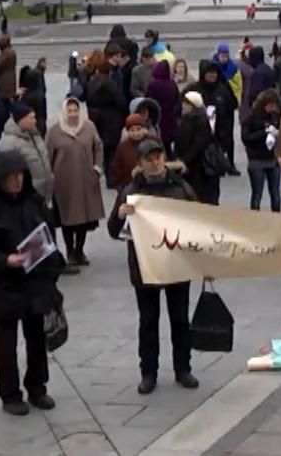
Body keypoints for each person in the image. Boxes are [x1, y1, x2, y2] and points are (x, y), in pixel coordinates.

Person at [0, 150, 62, 416]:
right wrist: (5, 260)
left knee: (37, 340)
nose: (16, 181)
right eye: (11, 177)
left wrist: (52, 265)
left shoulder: (33, 201)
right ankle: (10, 394)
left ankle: (37, 387)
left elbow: (49, 233)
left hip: (35, 284)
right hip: (3, 287)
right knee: (5, 345)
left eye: (20, 175)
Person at [109, 139, 201, 394]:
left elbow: (199, 222)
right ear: (141, 163)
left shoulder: (181, 187)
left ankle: (183, 368)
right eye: (149, 159)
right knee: (148, 321)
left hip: (177, 265)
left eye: (159, 157)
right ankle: (148, 372)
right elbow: (113, 231)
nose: (155, 162)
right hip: (145, 267)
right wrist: (120, 215)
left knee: (180, 319)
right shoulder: (130, 192)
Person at [47, 98, 105, 267]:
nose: (73, 114)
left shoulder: (88, 127)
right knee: (67, 218)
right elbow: (48, 155)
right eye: (70, 111)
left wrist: (97, 168)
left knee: (84, 217)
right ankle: (70, 250)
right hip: (63, 182)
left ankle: (80, 250)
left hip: (86, 180)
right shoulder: (54, 131)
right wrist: (49, 178)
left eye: (75, 110)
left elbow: (98, 147)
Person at [0, 103, 54, 211]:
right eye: (31, 118)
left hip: (43, 194)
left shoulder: (35, 134)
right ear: (21, 120)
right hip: (27, 198)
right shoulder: (9, 143)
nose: (35, 121)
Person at [241, 90, 281, 211]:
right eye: (270, 106)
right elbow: (246, 138)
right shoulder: (251, 118)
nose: (273, 108)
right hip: (257, 159)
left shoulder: (276, 117)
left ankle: (276, 217)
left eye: (275, 106)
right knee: (257, 194)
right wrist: (264, 133)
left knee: (275, 194)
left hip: (273, 159)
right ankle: (255, 219)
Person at [145, 61, 181, 156]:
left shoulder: (153, 85)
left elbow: (147, 100)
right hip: (170, 118)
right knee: (168, 145)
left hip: (157, 118)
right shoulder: (172, 84)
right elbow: (178, 100)